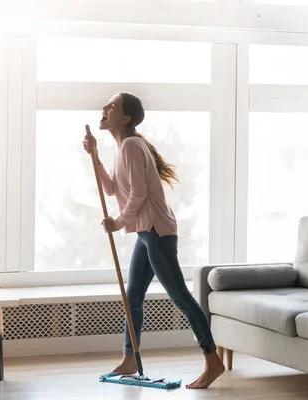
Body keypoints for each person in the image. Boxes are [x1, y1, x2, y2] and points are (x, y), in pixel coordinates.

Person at [82, 92, 225, 389]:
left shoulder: (132, 146)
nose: (104, 108)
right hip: (146, 233)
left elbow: (139, 195)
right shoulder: (123, 147)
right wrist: (94, 155)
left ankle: (213, 361)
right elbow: (110, 189)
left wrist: (117, 222)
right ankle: (129, 358)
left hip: (157, 231)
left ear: (125, 118)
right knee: (132, 296)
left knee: (180, 297)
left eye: (112, 105)